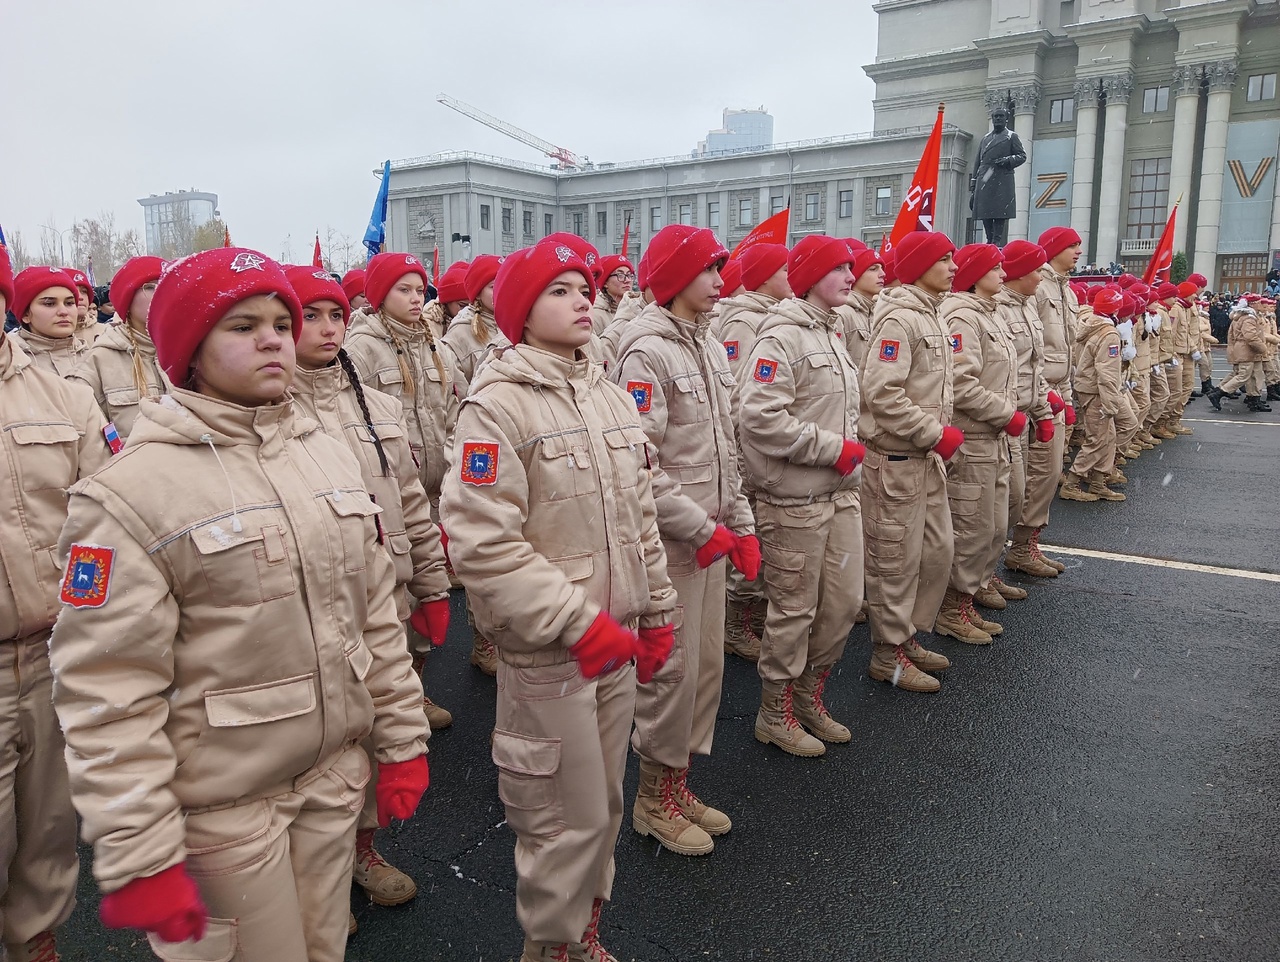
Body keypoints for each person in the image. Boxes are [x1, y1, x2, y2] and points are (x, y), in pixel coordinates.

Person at [49, 248, 430, 961]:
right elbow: (107, 691)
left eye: (282, 323)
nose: (273, 339)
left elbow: (373, 612)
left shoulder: (323, 453)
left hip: (330, 783)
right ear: (190, 348)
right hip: (221, 813)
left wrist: (402, 739)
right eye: (242, 324)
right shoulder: (133, 492)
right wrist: (142, 854)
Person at [441, 239, 676, 962]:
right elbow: (483, 543)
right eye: (560, 290)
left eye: (585, 287)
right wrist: (579, 621)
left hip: (616, 639)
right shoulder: (497, 407)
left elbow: (640, 514)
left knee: (601, 807)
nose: (583, 299)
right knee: (555, 821)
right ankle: (550, 949)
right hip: (551, 654)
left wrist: (659, 606)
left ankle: (583, 938)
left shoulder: (605, 392)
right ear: (519, 310)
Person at [284, 266, 452, 922]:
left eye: (335, 314)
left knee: (380, 731)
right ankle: (312, 878)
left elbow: (408, 496)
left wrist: (434, 582)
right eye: (310, 315)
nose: (328, 329)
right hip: (313, 607)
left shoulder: (373, 402)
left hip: (385, 593)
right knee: (318, 745)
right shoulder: (269, 408)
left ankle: (363, 847)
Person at [611, 224, 754, 850]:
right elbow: (642, 466)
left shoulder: (704, 342)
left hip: (710, 537)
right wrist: (701, 527)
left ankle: (679, 780)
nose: (720, 283)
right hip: (674, 544)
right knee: (669, 673)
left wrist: (739, 523)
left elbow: (723, 447)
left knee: (704, 670)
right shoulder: (646, 351)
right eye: (707, 271)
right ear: (673, 279)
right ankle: (652, 798)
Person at [0, 244, 111, 962]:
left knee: (46, 829)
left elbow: (103, 518)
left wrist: (83, 612)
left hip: (47, 650)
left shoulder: (63, 394)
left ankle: (34, 939)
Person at [737, 235, 866, 747]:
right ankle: (776, 711)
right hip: (793, 502)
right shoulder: (780, 339)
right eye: (839, 268)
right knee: (793, 610)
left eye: (851, 268)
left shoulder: (831, 334)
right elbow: (759, 419)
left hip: (840, 495)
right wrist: (831, 448)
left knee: (843, 604)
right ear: (811, 276)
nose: (850, 277)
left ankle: (810, 695)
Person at [344, 253, 463, 697]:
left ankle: (418, 683)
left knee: (429, 584)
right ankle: (401, 694)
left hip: (433, 484)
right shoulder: (362, 348)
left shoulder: (434, 343)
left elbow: (450, 408)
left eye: (420, 290)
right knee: (397, 593)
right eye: (404, 290)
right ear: (379, 295)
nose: (416, 299)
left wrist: (451, 462)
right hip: (390, 488)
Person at [858, 230, 960, 693]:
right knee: (895, 562)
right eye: (944, 259)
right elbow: (881, 392)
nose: (954, 267)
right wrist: (934, 432)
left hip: (925, 458)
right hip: (899, 458)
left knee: (936, 554)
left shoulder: (931, 315)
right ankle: (888, 653)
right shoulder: (900, 319)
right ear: (920, 266)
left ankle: (908, 636)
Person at [933, 244, 1022, 644]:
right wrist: (1003, 413)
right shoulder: (962, 317)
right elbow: (961, 382)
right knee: (971, 527)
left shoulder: (988, 314)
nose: (1004, 274)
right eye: (995, 268)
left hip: (994, 436)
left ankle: (970, 593)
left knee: (992, 525)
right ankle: (952, 608)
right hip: (974, 437)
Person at [709, 243, 790, 661]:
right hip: (749, 451)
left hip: (760, 451)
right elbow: (739, 396)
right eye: (784, 269)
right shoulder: (744, 322)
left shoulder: (773, 318)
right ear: (762, 277)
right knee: (749, 533)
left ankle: (752, 615)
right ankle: (737, 623)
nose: (792, 275)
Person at [1011, 227, 1080, 579]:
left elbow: (1064, 348)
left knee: (1050, 473)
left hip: (1057, 389)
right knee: (1030, 476)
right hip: (1036, 392)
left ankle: (1028, 542)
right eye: (1071, 246)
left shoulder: (1066, 290)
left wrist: (1066, 396)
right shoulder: (1036, 287)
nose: (1078, 251)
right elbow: (1029, 352)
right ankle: (1019, 546)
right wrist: (1045, 395)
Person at [994, 240, 1054, 581]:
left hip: (1025, 413)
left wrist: (1043, 407)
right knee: (1001, 505)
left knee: (1019, 495)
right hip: (1002, 418)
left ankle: (1017, 551)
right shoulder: (996, 309)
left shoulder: (1028, 306)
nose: (1040, 278)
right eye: (1036, 270)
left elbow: (1035, 365)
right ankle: (971, 583)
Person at [68, 256, 169, 441]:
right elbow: (90, 443)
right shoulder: (99, 359)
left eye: (168, 285)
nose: (162, 293)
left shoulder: (191, 354)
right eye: (150, 287)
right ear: (127, 299)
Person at [1060, 286, 1126, 502]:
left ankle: (1098, 481)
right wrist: (1111, 403)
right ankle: (1072, 482)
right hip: (1097, 391)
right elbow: (1107, 373)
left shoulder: (1091, 326)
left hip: (1087, 387)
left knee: (1108, 437)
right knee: (1097, 439)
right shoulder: (1109, 334)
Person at [9, 267, 88, 376]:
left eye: (69, 303)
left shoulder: (92, 357)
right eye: (49, 303)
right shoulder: (10, 362)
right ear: (25, 314)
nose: (63, 312)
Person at [1207, 299, 1279, 411]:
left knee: (1255, 376)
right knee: (1244, 375)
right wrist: (1262, 348)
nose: (1261, 304)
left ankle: (1254, 400)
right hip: (1246, 350)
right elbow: (1250, 337)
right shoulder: (1248, 318)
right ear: (1252, 304)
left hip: (1249, 351)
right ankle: (1220, 393)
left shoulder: (1249, 316)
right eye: (1259, 302)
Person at [835, 248, 886, 371]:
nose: (882, 274)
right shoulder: (842, 314)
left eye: (881, 268)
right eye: (873, 269)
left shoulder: (876, 313)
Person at [591, 255, 636, 334]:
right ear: (605, 283)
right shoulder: (596, 315)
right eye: (620, 275)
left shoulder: (637, 309)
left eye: (629, 275)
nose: (627, 280)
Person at [428, 260, 470, 335]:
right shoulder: (430, 324)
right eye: (462, 306)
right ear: (447, 301)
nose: (467, 311)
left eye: (473, 306)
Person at [65, 268, 103, 346]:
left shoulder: (106, 332)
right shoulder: (46, 336)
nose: (80, 297)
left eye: (84, 291)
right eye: (73, 291)